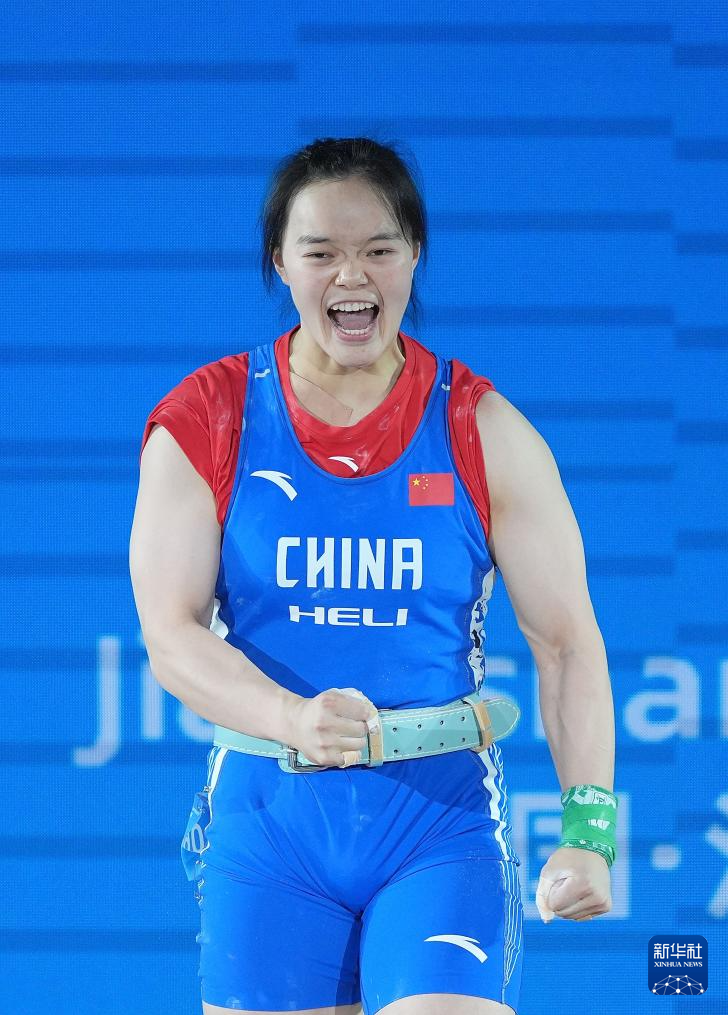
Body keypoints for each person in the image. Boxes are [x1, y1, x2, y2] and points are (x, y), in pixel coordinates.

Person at [129, 137, 617, 1015]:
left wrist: (590, 831)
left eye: (379, 249)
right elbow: (169, 634)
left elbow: (567, 642)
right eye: (321, 252)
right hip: (271, 826)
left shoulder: (484, 429)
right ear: (280, 261)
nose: (351, 276)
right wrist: (292, 718)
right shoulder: (207, 419)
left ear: (414, 254)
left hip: (439, 824)